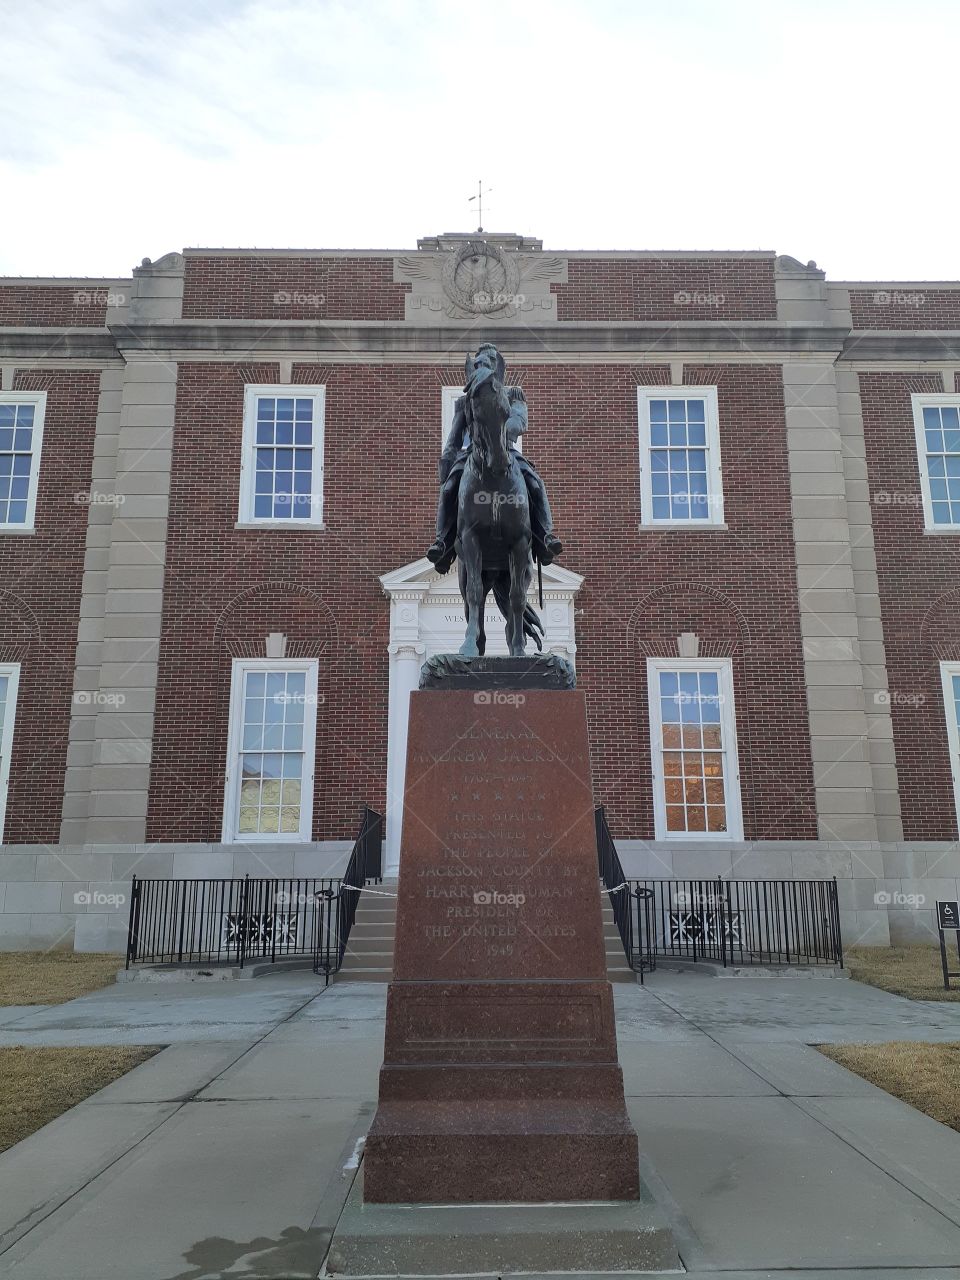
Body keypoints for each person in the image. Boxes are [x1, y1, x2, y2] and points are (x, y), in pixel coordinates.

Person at [426, 360, 563, 576]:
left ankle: (545, 536)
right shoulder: (464, 403)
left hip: (506, 450)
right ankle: (442, 543)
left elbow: (520, 421)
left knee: (535, 484)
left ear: (498, 370)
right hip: (472, 453)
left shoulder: (513, 395)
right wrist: (447, 462)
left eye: (489, 363)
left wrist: (496, 426)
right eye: (479, 364)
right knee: (449, 488)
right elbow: (454, 436)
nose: (484, 368)